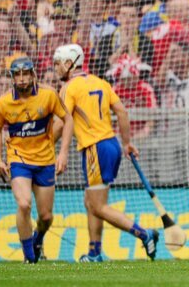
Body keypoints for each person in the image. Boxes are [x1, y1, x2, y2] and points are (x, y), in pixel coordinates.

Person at [53, 43, 159, 262]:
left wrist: (45, 145)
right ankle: (94, 253)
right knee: (90, 201)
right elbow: (121, 111)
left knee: (98, 205)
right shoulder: (100, 82)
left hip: (95, 148)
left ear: (69, 63)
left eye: (58, 63)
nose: (55, 68)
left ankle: (144, 234)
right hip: (112, 145)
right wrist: (127, 143)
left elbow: (63, 123)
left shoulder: (69, 88)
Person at [0, 57, 73, 263]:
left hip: (45, 160)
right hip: (18, 159)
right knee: (24, 204)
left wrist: (63, 153)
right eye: (17, 75)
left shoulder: (48, 95)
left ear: (33, 74)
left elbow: (68, 119)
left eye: (25, 73)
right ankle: (29, 257)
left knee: (46, 217)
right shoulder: (4, 102)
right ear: (12, 78)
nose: (22, 79)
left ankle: (38, 239)